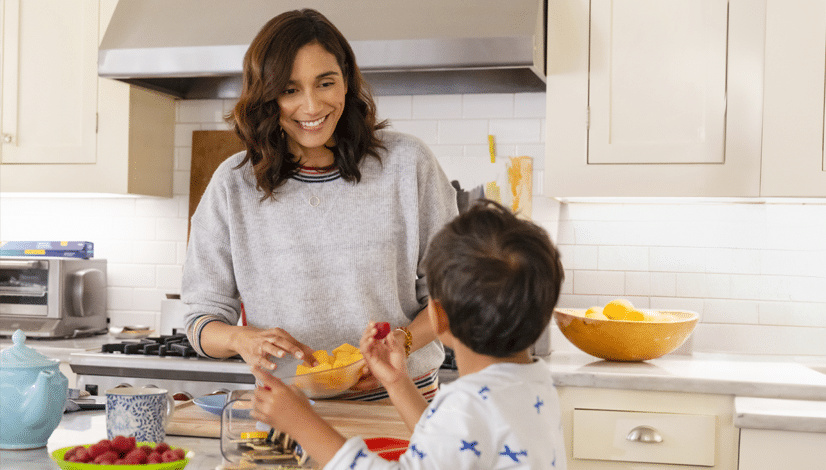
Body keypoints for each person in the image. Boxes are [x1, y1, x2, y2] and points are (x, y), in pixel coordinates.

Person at [181, 8, 458, 401]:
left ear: (346, 81)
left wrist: (402, 343)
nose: (311, 107)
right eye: (290, 90)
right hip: (289, 415)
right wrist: (242, 339)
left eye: (325, 83)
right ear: (266, 96)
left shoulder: (409, 164)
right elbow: (201, 319)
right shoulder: (233, 184)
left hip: (402, 406)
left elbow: (452, 295)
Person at [252, 200, 568, 469]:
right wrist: (398, 384)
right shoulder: (536, 386)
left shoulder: (464, 403)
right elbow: (450, 453)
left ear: (438, 318)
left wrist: (303, 424)